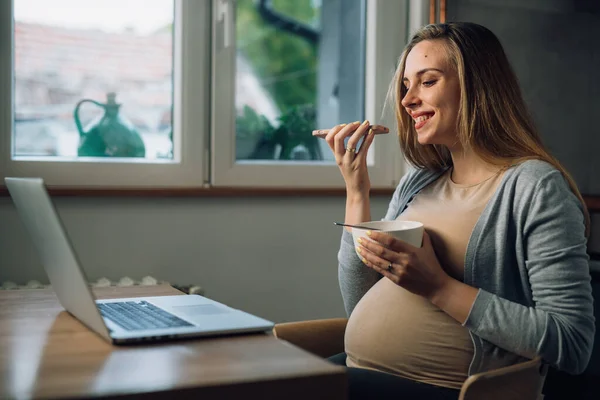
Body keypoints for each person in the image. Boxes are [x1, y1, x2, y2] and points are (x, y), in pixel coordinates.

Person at [322, 22, 595, 400]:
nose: (407, 100)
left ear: (476, 88)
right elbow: (359, 304)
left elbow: (573, 343)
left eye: (427, 82)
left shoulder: (535, 187)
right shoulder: (419, 181)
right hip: (364, 372)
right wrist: (357, 191)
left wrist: (438, 287)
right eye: (405, 86)